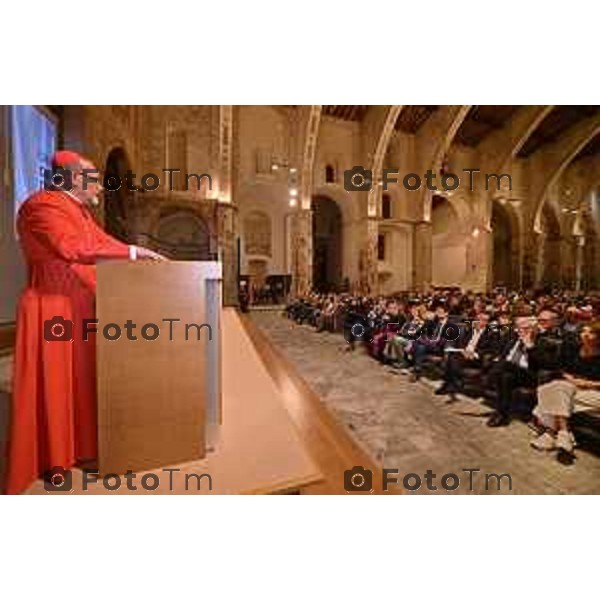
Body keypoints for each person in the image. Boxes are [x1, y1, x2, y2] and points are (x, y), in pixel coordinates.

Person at [6, 150, 164, 495]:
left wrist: (139, 254)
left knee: (81, 384)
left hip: (79, 307)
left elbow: (103, 243)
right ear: (75, 179)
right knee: (55, 386)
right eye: (95, 179)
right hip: (52, 308)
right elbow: (71, 246)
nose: (101, 187)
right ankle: (52, 460)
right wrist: (133, 253)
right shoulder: (42, 205)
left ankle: (81, 449)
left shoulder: (76, 210)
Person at [531, 320, 600, 465]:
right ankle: (564, 434)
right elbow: (562, 370)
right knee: (557, 387)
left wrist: (587, 384)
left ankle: (550, 433)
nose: (585, 335)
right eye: (583, 331)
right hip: (572, 389)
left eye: (591, 333)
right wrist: (570, 379)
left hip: (594, 393)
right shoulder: (574, 349)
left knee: (551, 391)